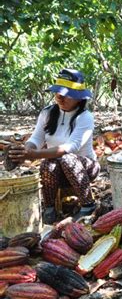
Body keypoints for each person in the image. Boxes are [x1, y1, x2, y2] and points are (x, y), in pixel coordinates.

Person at [8, 69, 99, 224]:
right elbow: (36, 138)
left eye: (67, 94)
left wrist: (33, 155)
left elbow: (70, 147)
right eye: (58, 92)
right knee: (47, 164)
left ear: (79, 98)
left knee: (67, 159)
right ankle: (49, 208)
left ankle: (87, 205)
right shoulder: (48, 113)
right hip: (58, 171)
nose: (60, 97)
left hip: (85, 168)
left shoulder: (85, 117)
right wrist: (27, 148)